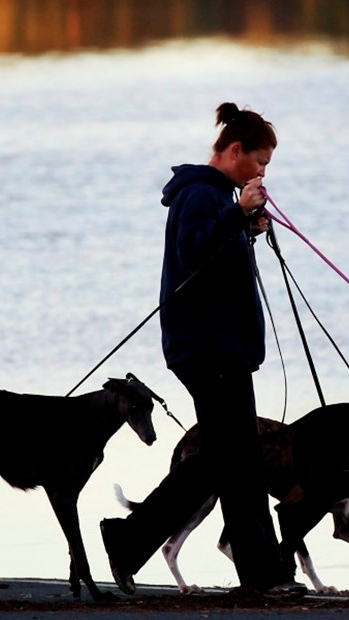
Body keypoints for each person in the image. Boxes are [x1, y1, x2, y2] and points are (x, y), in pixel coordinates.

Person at [100, 102, 304, 597]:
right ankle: (262, 577)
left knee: (227, 457)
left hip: (217, 348)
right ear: (236, 151)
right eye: (260, 161)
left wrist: (246, 228)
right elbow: (194, 250)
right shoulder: (200, 194)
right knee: (241, 460)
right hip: (209, 350)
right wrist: (237, 214)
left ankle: (129, 539)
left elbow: (214, 260)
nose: (262, 172)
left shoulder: (215, 197)